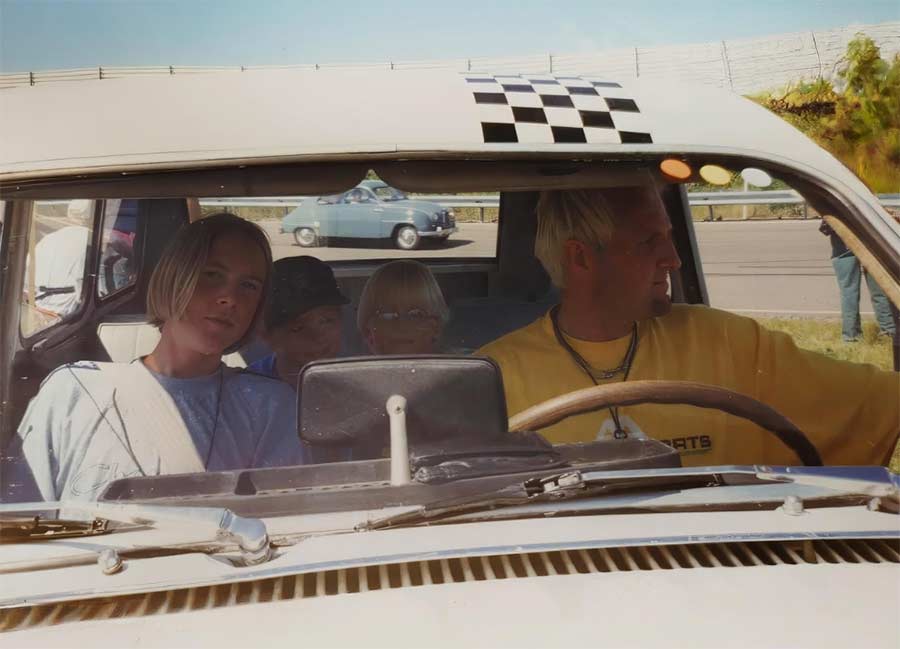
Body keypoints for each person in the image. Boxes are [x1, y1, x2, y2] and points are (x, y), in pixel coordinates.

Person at [477, 185, 899, 467]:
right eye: (648, 242)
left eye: (670, 235)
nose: (673, 258)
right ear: (582, 258)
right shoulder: (491, 378)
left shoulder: (730, 344)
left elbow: (882, 402)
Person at [2, 213, 307, 503]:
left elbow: (285, 524)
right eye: (212, 275)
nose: (230, 298)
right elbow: (21, 520)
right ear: (175, 278)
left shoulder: (269, 406)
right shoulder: (73, 391)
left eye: (249, 286)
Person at [248, 255, 349, 385]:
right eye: (297, 328)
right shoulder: (248, 390)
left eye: (326, 321)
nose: (317, 337)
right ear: (265, 334)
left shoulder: (359, 378)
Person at [819, 220, 895, 341]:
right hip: (869, 236)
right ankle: (888, 332)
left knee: (848, 291)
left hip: (842, 238)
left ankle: (851, 336)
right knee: (879, 290)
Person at [357, 260, 448, 355]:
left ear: (435, 326)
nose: (402, 325)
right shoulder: (347, 367)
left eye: (416, 315)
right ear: (368, 327)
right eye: (387, 315)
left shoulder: (461, 366)